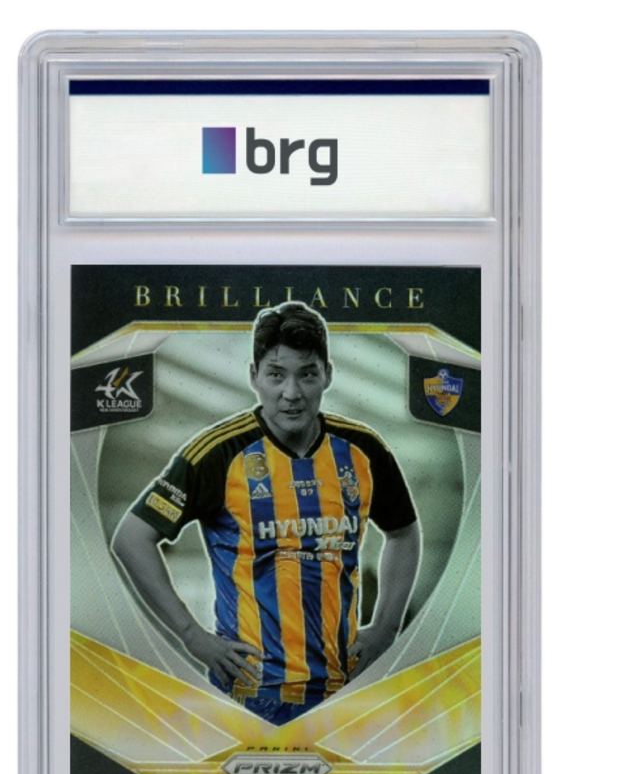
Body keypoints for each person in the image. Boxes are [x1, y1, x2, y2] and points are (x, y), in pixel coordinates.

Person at [112, 301, 421, 724]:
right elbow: (132, 537)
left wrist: (385, 628)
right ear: (254, 376)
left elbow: (404, 532)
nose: (291, 393)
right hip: (248, 696)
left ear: (327, 375)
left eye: (307, 374)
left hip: (343, 692)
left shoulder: (363, 450)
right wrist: (191, 636)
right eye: (276, 374)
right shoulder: (217, 452)